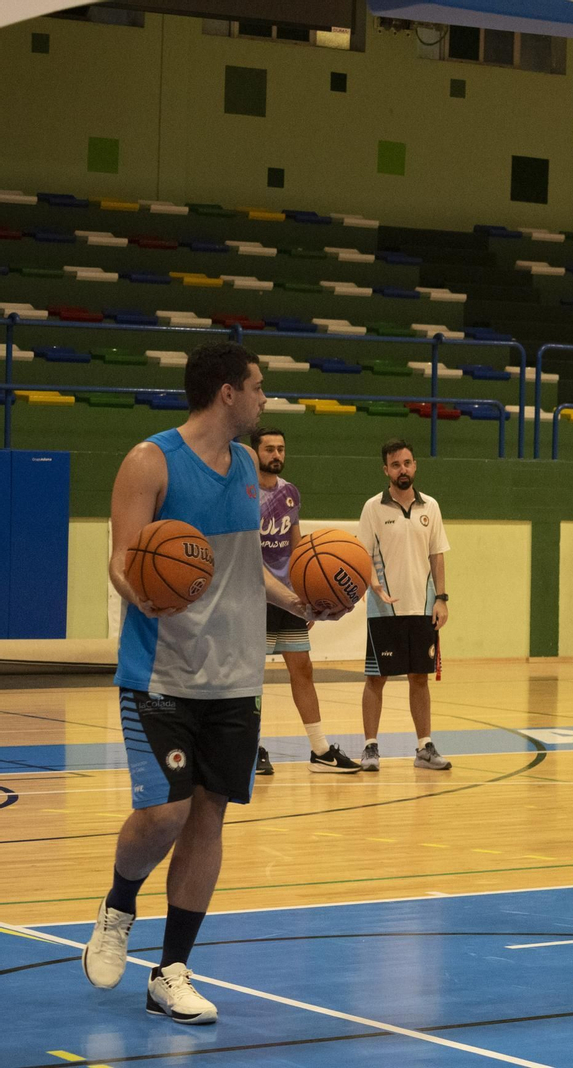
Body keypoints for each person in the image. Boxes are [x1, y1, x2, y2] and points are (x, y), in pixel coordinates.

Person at [82, 342, 342, 1025]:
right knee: (165, 813)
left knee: (208, 816)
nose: (264, 398)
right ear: (228, 391)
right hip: (160, 671)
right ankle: (118, 905)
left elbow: (244, 565)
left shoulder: (249, 465)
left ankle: (171, 971)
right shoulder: (150, 461)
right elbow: (121, 560)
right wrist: (145, 592)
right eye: (258, 386)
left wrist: (297, 601)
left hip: (234, 677)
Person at [251, 427, 360, 774]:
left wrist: (305, 593)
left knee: (303, 669)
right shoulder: (244, 493)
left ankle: (320, 750)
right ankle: (249, 748)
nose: (276, 455)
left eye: (281, 449)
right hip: (255, 596)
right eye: (269, 449)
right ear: (254, 453)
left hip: (288, 597)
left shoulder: (290, 493)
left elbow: (298, 547)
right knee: (251, 676)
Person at [356, 439, 452, 771]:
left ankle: (424, 747)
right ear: (386, 470)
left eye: (407, 463)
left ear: (415, 466)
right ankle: (370, 747)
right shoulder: (373, 508)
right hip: (384, 609)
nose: (403, 469)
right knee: (376, 679)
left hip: (423, 608)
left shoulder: (431, 507)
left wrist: (441, 599)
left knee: (420, 678)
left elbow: (437, 555)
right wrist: (374, 583)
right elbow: (363, 554)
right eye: (395, 464)